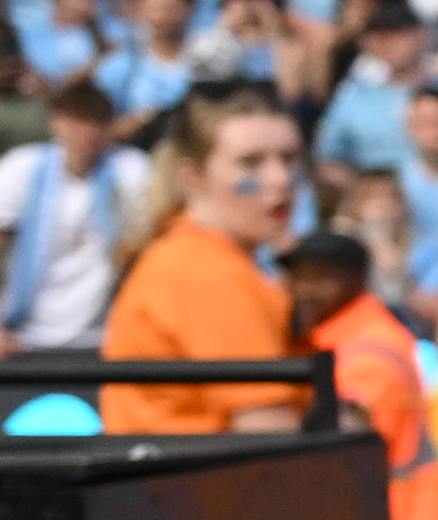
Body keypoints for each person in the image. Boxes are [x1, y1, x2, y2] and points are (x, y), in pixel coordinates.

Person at [99, 88, 314, 437]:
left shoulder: (186, 254)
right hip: (196, 486)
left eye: (289, 159)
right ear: (193, 177)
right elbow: (269, 437)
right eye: (251, 163)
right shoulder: (209, 272)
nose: (280, 179)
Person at [285, 223, 438, 520]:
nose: (305, 291)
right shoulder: (345, 342)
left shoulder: (369, 357)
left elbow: (339, 461)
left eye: (322, 278)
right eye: (298, 278)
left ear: (358, 280)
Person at [0, 66, 143, 356]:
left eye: (98, 121)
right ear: (56, 124)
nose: (89, 132)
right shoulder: (19, 169)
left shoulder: (133, 171)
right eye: (78, 120)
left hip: (107, 340)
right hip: (25, 338)